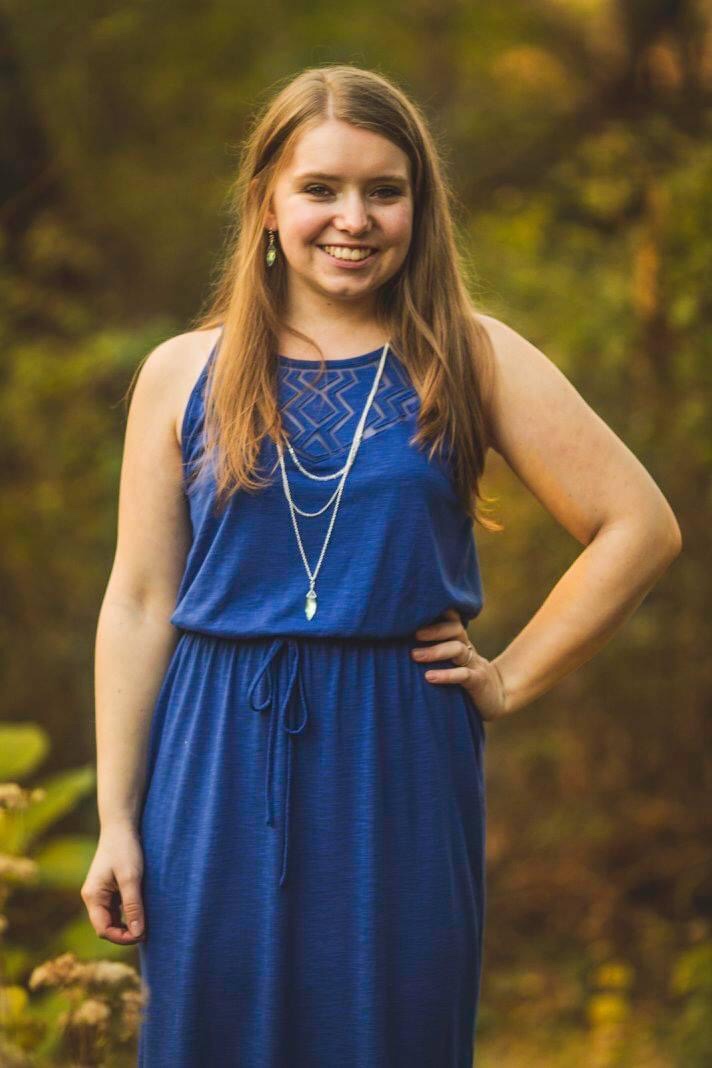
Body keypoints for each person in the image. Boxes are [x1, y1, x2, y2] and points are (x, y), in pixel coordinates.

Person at [80, 64, 682, 1067]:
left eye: (384, 191)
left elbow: (638, 526)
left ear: (419, 206)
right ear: (267, 203)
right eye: (320, 188)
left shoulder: (470, 356)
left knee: (387, 1030)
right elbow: (140, 603)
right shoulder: (182, 373)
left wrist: (508, 678)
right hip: (213, 755)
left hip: (395, 750)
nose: (352, 219)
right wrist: (116, 819)